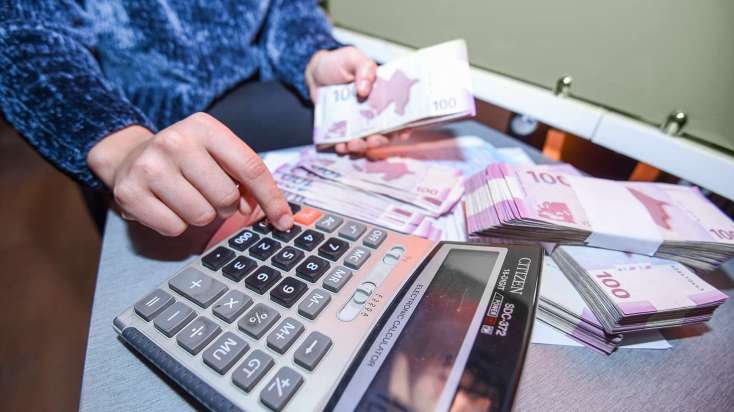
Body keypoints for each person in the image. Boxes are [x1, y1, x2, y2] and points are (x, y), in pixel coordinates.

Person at [0, 0, 396, 236]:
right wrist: (120, 143)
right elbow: (23, 37)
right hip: (138, 131)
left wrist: (312, 56)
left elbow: (285, 7)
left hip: (251, 89)